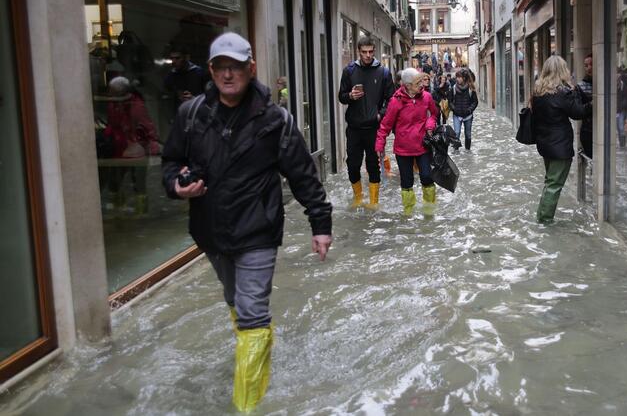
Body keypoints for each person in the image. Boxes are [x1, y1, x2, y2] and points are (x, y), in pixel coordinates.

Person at [161, 32, 333, 413]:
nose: (227, 74)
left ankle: (247, 405)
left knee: (252, 312)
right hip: (211, 232)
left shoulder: (275, 121)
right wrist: (176, 186)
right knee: (234, 300)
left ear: (250, 69)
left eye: (235, 67)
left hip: (258, 231)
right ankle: (254, 357)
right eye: (220, 66)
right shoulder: (191, 115)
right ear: (210, 70)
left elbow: (303, 175)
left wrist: (320, 223)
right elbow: (170, 162)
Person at [530, 55, 592, 224]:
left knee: (550, 182)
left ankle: (542, 217)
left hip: (545, 144)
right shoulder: (562, 92)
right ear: (561, 71)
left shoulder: (538, 91)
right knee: (554, 185)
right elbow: (578, 113)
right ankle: (544, 221)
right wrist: (595, 102)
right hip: (559, 146)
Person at [338, 35, 395, 209]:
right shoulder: (349, 71)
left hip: (374, 128)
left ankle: (374, 202)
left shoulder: (384, 72)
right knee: (352, 165)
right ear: (358, 52)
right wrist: (350, 96)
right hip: (354, 127)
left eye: (371, 52)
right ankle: (357, 198)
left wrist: (381, 114)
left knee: (373, 165)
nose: (368, 55)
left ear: (374, 51)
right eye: (364, 52)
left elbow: (391, 99)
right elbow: (341, 96)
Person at [375, 68, 439, 215]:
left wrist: (430, 125)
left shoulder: (427, 97)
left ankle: (430, 209)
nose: (422, 85)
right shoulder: (395, 102)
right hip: (403, 149)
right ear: (408, 85)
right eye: (418, 83)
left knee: (427, 177)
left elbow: (434, 114)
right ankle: (408, 212)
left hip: (423, 145)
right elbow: (385, 125)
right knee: (406, 182)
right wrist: (380, 144)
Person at [103, 76, 161, 215]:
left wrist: (150, 145)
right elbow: (112, 123)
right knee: (114, 182)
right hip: (119, 147)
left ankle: (141, 213)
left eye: (112, 92)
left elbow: (148, 127)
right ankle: (118, 211)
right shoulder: (113, 104)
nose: (110, 95)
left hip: (136, 149)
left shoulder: (136, 105)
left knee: (139, 183)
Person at [164, 44, 209, 110]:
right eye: (172, 58)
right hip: (179, 111)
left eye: (177, 58)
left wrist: (194, 99)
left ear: (186, 57)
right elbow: (167, 92)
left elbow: (210, 96)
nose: (173, 61)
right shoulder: (171, 75)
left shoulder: (200, 73)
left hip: (198, 111)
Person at [449, 69, 479, 151]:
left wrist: (469, 110)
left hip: (468, 116)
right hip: (457, 115)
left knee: (468, 135)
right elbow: (450, 101)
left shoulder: (470, 88)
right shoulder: (453, 88)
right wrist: (455, 109)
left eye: (459, 77)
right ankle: (456, 151)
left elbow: (475, 102)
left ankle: (468, 151)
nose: (457, 79)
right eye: (457, 77)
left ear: (464, 78)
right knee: (457, 133)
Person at [577, 54, 593, 159]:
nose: (589, 68)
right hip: (587, 131)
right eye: (586, 65)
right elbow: (579, 111)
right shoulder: (580, 86)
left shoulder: (609, 83)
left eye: (591, 64)